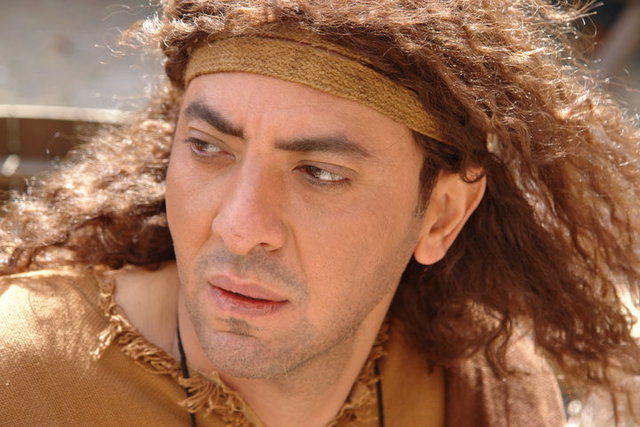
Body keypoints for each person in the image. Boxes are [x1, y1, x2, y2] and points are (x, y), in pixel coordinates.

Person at [1, 0, 639, 425]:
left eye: (321, 173)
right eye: (207, 148)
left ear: (441, 216)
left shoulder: (479, 388)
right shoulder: (25, 380)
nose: (239, 228)